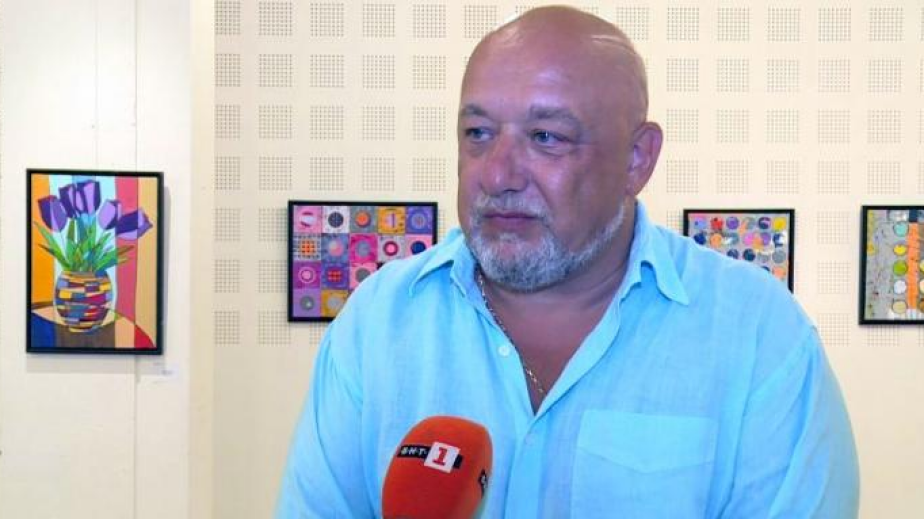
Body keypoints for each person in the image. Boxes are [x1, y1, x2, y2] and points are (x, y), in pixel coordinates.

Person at [277, 6, 859, 518]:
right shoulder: (379, 322)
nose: (498, 175)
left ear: (637, 159)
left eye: (547, 137)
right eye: (477, 133)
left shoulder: (759, 336)